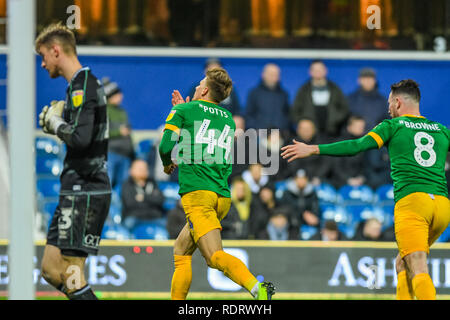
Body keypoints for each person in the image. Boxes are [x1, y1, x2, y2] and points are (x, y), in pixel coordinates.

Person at [281, 79, 450, 300]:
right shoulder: (441, 130)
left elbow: (356, 146)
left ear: (398, 102)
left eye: (390, 103)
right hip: (442, 207)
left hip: (414, 203)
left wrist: (313, 148)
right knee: (402, 263)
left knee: (418, 265)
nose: (388, 108)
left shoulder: (392, 126)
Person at [159, 67, 275, 300]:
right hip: (221, 195)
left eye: (200, 82)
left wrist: (166, 163)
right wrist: (185, 112)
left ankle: (258, 288)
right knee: (181, 252)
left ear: (203, 90)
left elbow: (165, 146)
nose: (196, 85)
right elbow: (200, 133)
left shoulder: (185, 110)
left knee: (214, 257)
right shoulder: (228, 119)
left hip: (198, 194)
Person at [36, 23, 111, 300]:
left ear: (56, 51)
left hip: (87, 189)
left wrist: (56, 124)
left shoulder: (85, 85)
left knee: (71, 272)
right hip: (76, 188)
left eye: (43, 56)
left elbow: (80, 139)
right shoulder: (76, 87)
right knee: (50, 269)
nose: (43, 64)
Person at [291, 60, 349, 140]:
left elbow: (344, 109)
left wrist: (335, 120)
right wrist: (305, 124)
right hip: (310, 137)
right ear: (310, 72)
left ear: (325, 71)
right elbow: (295, 110)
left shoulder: (335, 88)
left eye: (320, 69)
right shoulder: (303, 90)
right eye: (315, 70)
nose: (318, 72)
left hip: (332, 133)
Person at [103, 77, 135, 190]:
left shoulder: (122, 111)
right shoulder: (104, 110)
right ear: (110, 95)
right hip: (111, 153)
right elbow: (102, 131)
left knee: (123, 189)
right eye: (117, 94)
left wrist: (132, 153)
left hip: (125, 155)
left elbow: (128, 133)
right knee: (108, 185)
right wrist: (119, 132)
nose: (121, 96)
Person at [245, 63, 291, 134]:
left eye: (276, 74)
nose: (273, 77)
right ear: (263, 74)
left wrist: (283, 130)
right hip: (259, 135)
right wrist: (255, 130)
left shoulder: (284, 94)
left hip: (279, 135)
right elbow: (249, 114)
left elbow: (287, 115)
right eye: (271, 74)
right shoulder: (254, 93)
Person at [121, 159, 165, 230]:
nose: (142, 170)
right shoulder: (127, 184)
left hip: (154, 218)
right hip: (135, 218)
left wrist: (143, 197)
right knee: (128, 224)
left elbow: (160, 200)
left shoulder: (153, 183)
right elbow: (130, 203)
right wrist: (151, 199)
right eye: (139, 168)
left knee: (165, 225)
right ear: (131, 170)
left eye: (144, 168)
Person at [347, 67, 389, 133]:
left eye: (370, 78)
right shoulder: (350, 99)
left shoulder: (383, 101)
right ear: (359, 80)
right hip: (355, 140)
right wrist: (350, 127)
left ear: (374, 81)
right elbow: (343, 122)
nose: (367, 81)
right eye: (365, 78)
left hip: (376, 140)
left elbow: (389, 122)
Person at [331, 116, 368, 188]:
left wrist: (361, 177)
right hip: (340, 182)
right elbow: (336, 167)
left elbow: (366, 165)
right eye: (358, 126)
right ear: (349, 127)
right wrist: (348, 180)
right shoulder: (340, 143)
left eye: (362, 126)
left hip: (360, 181)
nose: (361, 129)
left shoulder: (365, 143)